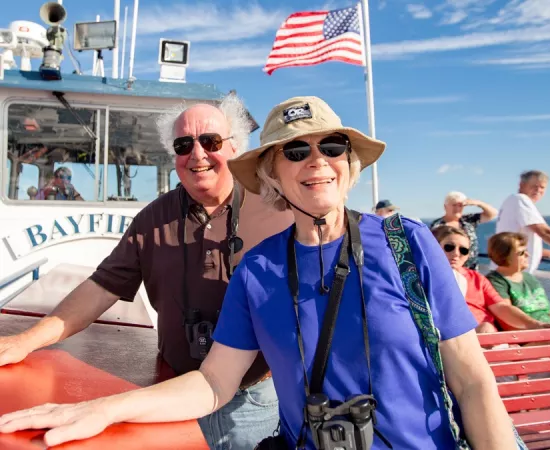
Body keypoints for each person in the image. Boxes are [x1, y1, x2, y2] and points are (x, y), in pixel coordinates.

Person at [0, 96, 522, 450]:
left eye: (331, 146)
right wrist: (103, 406)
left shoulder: (409, 243)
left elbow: (473, 383)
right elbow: (211, 380)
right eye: (296, 151)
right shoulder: (260, 267)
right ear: (273, 173)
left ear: (349, 162)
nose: (316, 160)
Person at [0, 95, 294, 450]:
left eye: (211, 141)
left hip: (253, 399)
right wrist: (25, 341)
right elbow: (100, 288)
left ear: (235, 147)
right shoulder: (153, 219)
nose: (197, 154)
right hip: (171, 391)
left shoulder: (279, 213)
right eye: (184, 144)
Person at [432, 225, 550, 335]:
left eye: (463, 250)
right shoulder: (427, 279)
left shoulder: (477, 279)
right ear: (434, 247)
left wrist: (534, 324)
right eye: (449, 247)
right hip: (460, 338)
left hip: (488, 337)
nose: (456, 253)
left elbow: (501, 307)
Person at [487, 232, 550, 330]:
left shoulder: (530, 278)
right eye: (521, 253)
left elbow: (548, 310)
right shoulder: (496, 282)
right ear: (503, 256)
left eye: (526, 251)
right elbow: (506, 319)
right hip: (531, 334)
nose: (527, 255)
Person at [429, 191, 497, 271]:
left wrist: (477, 203)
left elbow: (492, 214)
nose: (457, 208)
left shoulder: (468, 220)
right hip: (447, 269)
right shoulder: (437, 225)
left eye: (460, 205)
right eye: (454, 205)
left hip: (471, 270)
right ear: (445, 206)